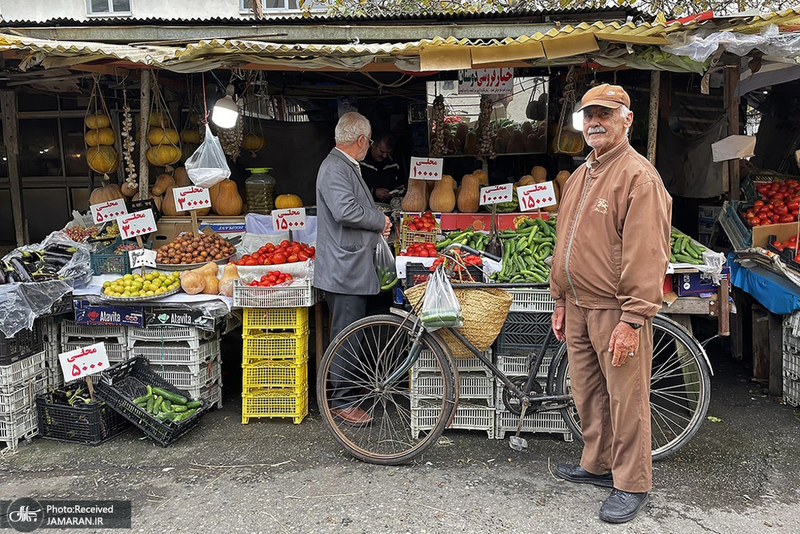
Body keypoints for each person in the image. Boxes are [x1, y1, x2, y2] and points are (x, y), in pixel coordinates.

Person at [549, 84, 672, 524]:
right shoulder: (581, 175)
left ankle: (633, 483)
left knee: (627, 397)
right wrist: (559, 298)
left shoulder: (640, 177)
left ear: (627, 119)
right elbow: (564, 241)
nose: (595, 122)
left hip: (615, 309)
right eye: (589, 115)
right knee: (588, 392)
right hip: (579, 306)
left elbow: (647, 254)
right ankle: (597, 465)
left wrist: (634, 318)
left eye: (604, 114)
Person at [315, 112, 392, 426]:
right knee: (346, 336)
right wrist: (379, 220)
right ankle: (342, 403)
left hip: (351, 265)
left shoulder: (343, 166)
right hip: (343, 269)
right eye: (369, 141)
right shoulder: (335, 167)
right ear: (361, 140)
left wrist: (376, 226)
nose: (369, 145)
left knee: (353, 333)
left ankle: (350, 391)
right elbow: (346, 210)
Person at [360, 132, 404, 202]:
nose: (385, 156)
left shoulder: (393, 164)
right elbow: (353, 187)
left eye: (388, 153)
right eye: (382, 151)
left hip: (387, 206)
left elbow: (399, 184)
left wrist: (396, 192)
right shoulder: (360, 163)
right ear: (373, 145)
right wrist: (373, 192)